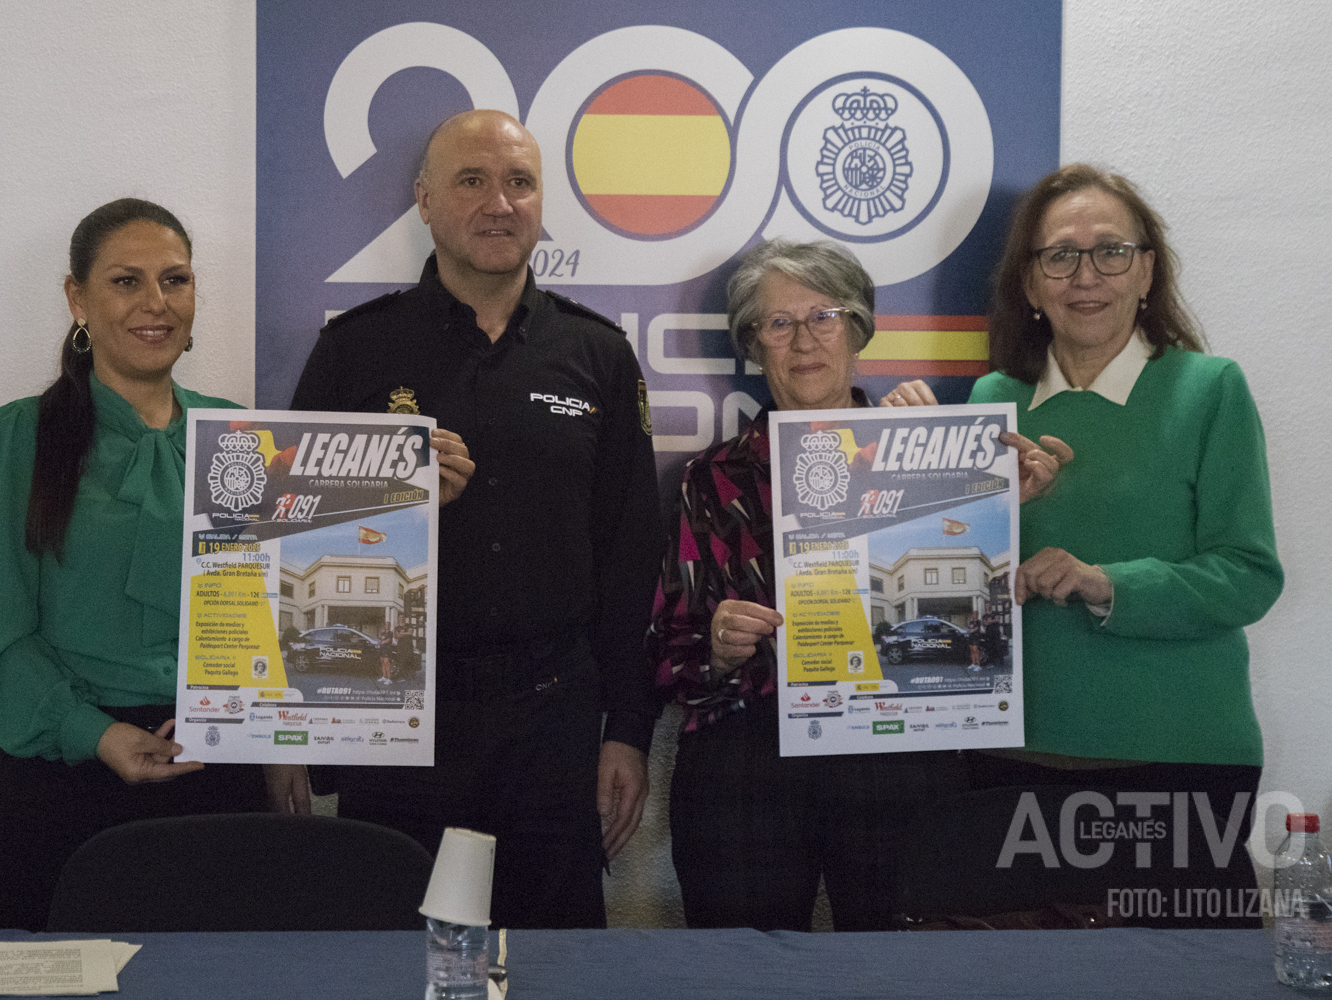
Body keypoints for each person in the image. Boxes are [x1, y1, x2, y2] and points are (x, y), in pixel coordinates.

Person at [290, 110, 663, 929]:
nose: (499, 202)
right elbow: (290, 540)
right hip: (397, 723)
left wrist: (626, 730)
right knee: (387, 957)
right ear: (425, 202)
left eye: (519, 182)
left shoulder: (598, 354)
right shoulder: (355, 351)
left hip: (553, 722)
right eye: (472, 181)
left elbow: (631, 556)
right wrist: (394, 506)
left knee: (556, 962)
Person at [882, 164, 1282, 924]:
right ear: (1030, 285)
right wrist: (908, 450)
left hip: (1177, 753)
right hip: (1011, 750)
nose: (1085, 275)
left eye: (1111, 252)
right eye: (1059, 255)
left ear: (1147, 272)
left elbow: (1249, 576)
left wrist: (1105, 583)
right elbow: (949, 595)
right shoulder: (993, 399)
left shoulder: (1209, 388)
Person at [647, 239, 1063, 932]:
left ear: (859, 328)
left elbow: (977, 622)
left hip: (898, 749)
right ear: (753, 344)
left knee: (905, 970)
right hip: (747, 758)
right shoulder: (711, 479)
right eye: (777, 323)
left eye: (824, 315)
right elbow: (669, 654)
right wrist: (718, 649)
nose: (803, 339)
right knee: (742, 975)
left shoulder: (935, 454)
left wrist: (988, 502)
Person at [0, 198, 311, 931]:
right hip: (67, 788)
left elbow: (267, 618)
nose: (156, 304)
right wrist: (96, 733)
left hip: (219, 777)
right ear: (77, 299)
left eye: (175, 280)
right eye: (126, 282)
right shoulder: (21, 434)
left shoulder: (240, 435)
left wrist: (280, 745)